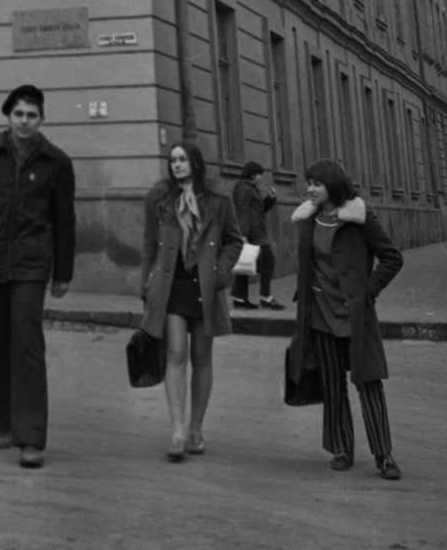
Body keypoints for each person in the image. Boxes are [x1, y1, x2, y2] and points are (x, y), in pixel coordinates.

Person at [0, 85, 76, 469]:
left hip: (31, 265)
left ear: (42, 119)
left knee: (28, 346)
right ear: (8, 116)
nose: (24, 121)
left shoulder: (57, 161)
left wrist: (63, 272)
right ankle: (1, 422)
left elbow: (64, 221)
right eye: (19, 114)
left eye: (32, 115)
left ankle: (31, 437)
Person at [285, 158, 404, 480]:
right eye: (309, 182)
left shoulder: (359, 218)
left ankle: (384, 454)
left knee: (369, 382)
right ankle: (342, 448)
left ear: (333, 186)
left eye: (317, 183)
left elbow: (392, 257)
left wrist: (369, 291)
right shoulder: (308, 220)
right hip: (319, 315)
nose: (309, 189)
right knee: (332, 384)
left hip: (355, 314)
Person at [139, 142, 244, 459]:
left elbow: (233, 241)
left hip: (205, 287)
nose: (177, 164)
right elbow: (148, 246)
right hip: (171, 286)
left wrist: (221, 272)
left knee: (201, 356)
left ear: (196, 163)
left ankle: (196, 429)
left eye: (183, 159)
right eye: (173, 160)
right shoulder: (158, 199)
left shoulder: (218, 199)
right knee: (175, 353)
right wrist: (146, 287)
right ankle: (177, 433)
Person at [230, 161, 281, 310]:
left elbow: (258, 211)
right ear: (252, 174)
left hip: (256, 230)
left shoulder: (251, 188)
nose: (261, 177)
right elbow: (243, 211)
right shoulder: (245, 189)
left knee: (247, 264)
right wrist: (244, 235)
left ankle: (239, 298)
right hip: (253, 232)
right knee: (269, 260)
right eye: (259, 174)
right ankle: (266, 297)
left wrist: (270, 198)